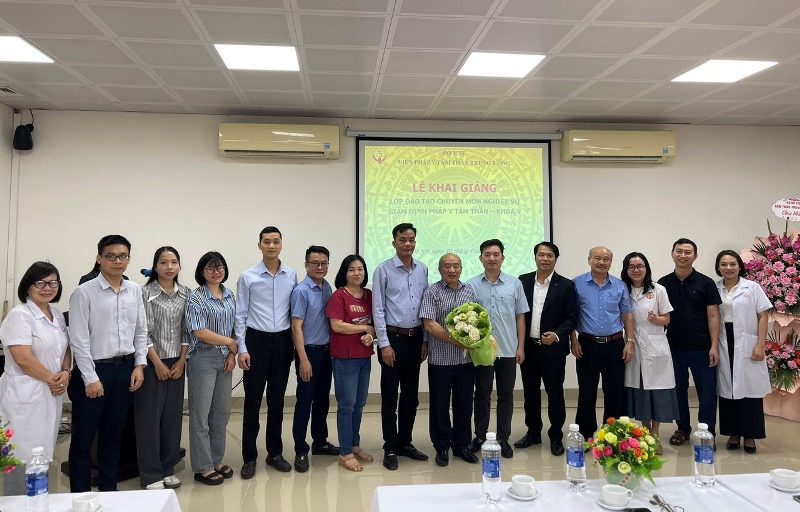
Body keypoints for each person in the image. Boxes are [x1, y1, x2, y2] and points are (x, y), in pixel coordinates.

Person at [67, 234, 148, 492]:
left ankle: (109, 493)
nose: (117, 261)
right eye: (110, 256)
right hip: (94, 371)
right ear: (99, 258)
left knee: (113, 437)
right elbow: (78, 339)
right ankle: (80, 497)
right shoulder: (84, 292)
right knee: (83, 439)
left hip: (125, 370)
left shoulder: (134, 290)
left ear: (129, 259)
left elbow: (141, 331)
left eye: (122, 256)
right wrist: (90, 377)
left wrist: (139, 365)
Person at [0, 262, 70, 495]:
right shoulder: (19, 315)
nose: (47, 287)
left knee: (41, 455)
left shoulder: (55, 314)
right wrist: (54, 379)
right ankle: (16, 503)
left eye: (52, 282)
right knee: (20, 457)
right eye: (40, 282)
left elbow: (66, 348)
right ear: (28, 286)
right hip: (24, 395)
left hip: (49, 394)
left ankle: (37, 502)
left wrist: (66, 372)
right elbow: (23, 358)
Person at [236, 227, 300, 478]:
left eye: (276, 241)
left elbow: (294, 313)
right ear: (259, 245)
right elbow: (240, 315)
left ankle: (274, 453)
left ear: (281, 245)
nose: (271, 246)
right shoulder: (247, 277)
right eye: (267, 242)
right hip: (256, 341)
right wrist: (242, 348)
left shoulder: (291, 275)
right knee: (252, 401)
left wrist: (293, 345)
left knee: (277, 400)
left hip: (282, 342)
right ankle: (249, 457)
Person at [372, 222, 429, 470]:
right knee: (389, 397)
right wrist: (384, 344)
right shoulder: (383, 270)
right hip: (392, 340)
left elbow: (426, 307)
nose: (408, 243)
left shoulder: (422, 269)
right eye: (403, 239)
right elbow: (378, 309)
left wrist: (425, 339)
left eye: (411, 239)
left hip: (415, 339)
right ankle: (390, 446)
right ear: (394, 242)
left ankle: (405, 442)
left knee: (410, 397)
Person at [466, 239, 528, 459]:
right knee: (481, 394)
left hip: (508, 349)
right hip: (482, 352)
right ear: (480, 258)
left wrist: (521, 347)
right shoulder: (471, 285)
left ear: (503, 258)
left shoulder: (515, 284)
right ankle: (480, 437)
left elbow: (520, 317)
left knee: (506, 395)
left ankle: (503, 438)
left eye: (496, 254)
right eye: (487, 254)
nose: (492, 258)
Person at [134, 246, 190, 489]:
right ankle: (151, 474)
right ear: (155, 266)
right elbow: (142, 331)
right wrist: (156, 362)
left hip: (177, 362)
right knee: (148, 420)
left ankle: (168, 469)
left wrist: (182, 360)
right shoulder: (144, 293)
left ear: (179, 266)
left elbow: (187, 331)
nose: (169, 267)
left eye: (174, 262)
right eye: (164, 262)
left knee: (172, 419)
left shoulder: (186, 294)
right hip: (151, 362)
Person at [515, 242, 577, 456]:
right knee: (530, 393)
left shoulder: (566, 285)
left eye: (549, 255)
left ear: (555, 259)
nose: (545, 259)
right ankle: (533, 432)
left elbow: (572, 318)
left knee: (555, 394)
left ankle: (556, 435)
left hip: (554, 350)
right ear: (535, 257)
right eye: (541, 255)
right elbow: (518, 313)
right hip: (529, 349)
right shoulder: (522, 281)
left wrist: (557, 335)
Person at [657, 238, 721, 447]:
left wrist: (714, 346)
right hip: (673, 347)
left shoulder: (706, 283)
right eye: (679, 251)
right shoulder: (662, 284)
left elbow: (713, 316)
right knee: (677, 391)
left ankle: (706, 433)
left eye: (687, 252)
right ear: (672, 254)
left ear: (695, 256)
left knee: (707, 393)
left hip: (702, 347)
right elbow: (660, 316)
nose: (682, 255)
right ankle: (683, 428)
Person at [571, 246, 634, 440]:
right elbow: (570, 315)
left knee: (615, 391)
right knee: (587, 391)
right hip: (586, 344)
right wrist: (573, 340)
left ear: (611, 262)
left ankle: (612, 435)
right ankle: (585, 434)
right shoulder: (576, 284)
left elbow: (626, 314)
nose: (601, 262)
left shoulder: (619, 285)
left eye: (606, 259)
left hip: (614, 344)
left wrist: (629, 341)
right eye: (597, 258)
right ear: (589, 260)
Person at [420, 253, 478, 466]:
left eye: (455, 266)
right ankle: (442, 446)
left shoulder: (469, 291)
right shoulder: (432, 291)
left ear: (461, 268)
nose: (451, 270)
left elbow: (476, 320)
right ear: (440, 270)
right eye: (447, 266)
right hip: (440, 360)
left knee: (464, 404)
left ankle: (462, 445)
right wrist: (456, 340)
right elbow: (429, 323)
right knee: (440, 405)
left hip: (465, 361)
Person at [185, 251, 237, 485]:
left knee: (221, 414)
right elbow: (199, 331)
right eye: (211, 268)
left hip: (225, 358)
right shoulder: (195, 297)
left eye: (220, 267)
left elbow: (236, 325)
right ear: (202, 271)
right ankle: (203, 466)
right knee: (201, 415)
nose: (216, 272)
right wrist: (229, 343)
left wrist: (232, 353)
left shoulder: (230, 295)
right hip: (203, 358)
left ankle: (216, 460)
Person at [714, 250, 772, 454]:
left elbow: (763, 316)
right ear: (718, 267)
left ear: (739, 266)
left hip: (747, 341)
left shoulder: (752, 287)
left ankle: (749, 435)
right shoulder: (715, 288)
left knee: (749, 390)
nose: (728, 268)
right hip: (724, 340)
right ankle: (733, 433)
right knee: (727, 389)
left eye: (732, 264)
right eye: (724, 264)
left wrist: (760, 344)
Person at [621, 252, 678, 454]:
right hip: (632, 346)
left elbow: (667, 319)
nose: (636, 270)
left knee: (657, 392)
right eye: (632, 267)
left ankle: (655, 435)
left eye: (640, 266)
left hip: (655, 347)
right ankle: (645, 434)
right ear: (626, 270)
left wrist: (656, 319)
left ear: (646, 268)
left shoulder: (658, 289)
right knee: (642, 392)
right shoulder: (622, 290)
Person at [326, 255, 375, 472]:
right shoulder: (339, 296)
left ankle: (354, 445)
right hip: (345, 358)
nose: (357, 273)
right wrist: (364, 328)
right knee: (347, 404)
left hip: (364, 356)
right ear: (344, 273)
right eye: (352, 269)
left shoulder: (369, 295)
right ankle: (345, 452)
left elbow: (373, 324)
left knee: (359, 403)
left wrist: (370, 335)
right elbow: (337, 325)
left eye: (360, 269)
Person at [290, 245, 337, 473]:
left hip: (327, 353)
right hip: (309, 352)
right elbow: (296, 327)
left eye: (324, 263)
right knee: (304, 401)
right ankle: (301, 449)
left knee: (322, 400)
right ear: (306, 265)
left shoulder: (327, 287)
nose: (320, 267)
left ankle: (320, 442)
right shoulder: (301, 291)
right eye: (315, 263)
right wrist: (304, 359)